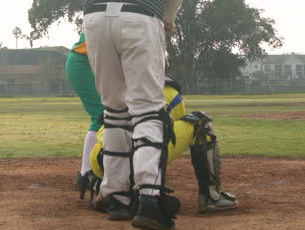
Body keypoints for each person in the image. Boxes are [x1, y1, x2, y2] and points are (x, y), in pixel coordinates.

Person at [68, 0, 188, 230]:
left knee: (114, 110)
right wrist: (168, 16)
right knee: (147, 109)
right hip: (141, 16)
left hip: (93, 18)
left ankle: (115, 195)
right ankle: (149, 198)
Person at [86, 78, 238, 213]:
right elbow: (169, 133)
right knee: (200, 123)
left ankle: (106, 188)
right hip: (135, 161)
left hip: (102, 161)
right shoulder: (170, 91)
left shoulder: (124, 87)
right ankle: (211, 196)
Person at [65, 31, 104, 198]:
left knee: (111, 114)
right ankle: (85, 174)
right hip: (83, 63)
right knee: (103, 115)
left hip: (92, 64)